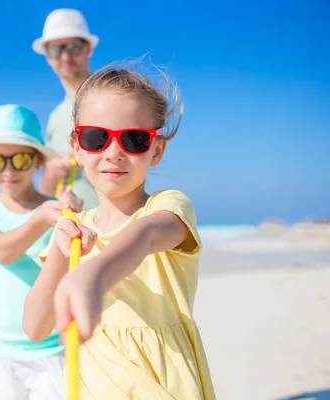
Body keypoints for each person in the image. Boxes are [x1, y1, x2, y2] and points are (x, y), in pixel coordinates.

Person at [22, 62, 217, 399]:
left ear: (156, 150)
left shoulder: (169, 207)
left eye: (134, 139)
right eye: (96, 138)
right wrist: (60, 252)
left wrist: (94, 274)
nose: (114, 152)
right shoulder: (75, 230)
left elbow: (145, 236)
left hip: (161, 384)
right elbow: (35, 327)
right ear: (77, 149)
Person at [0, 104, 82, 400]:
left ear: (37, 161)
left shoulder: (57, 210)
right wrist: (43, 216)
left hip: (53, 350)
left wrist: (73, 213)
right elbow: (3, 251)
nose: (9, 170)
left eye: (21, 159)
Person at [32, 8, 99, 210]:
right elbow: (46, 190)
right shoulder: (55, 117)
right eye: (55, 50)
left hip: (112, 229)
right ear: (47, 56)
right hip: (68, 231)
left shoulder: (110, 98)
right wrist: (51, 172)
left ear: (88, 48)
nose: (64, 56)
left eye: (73, 47)